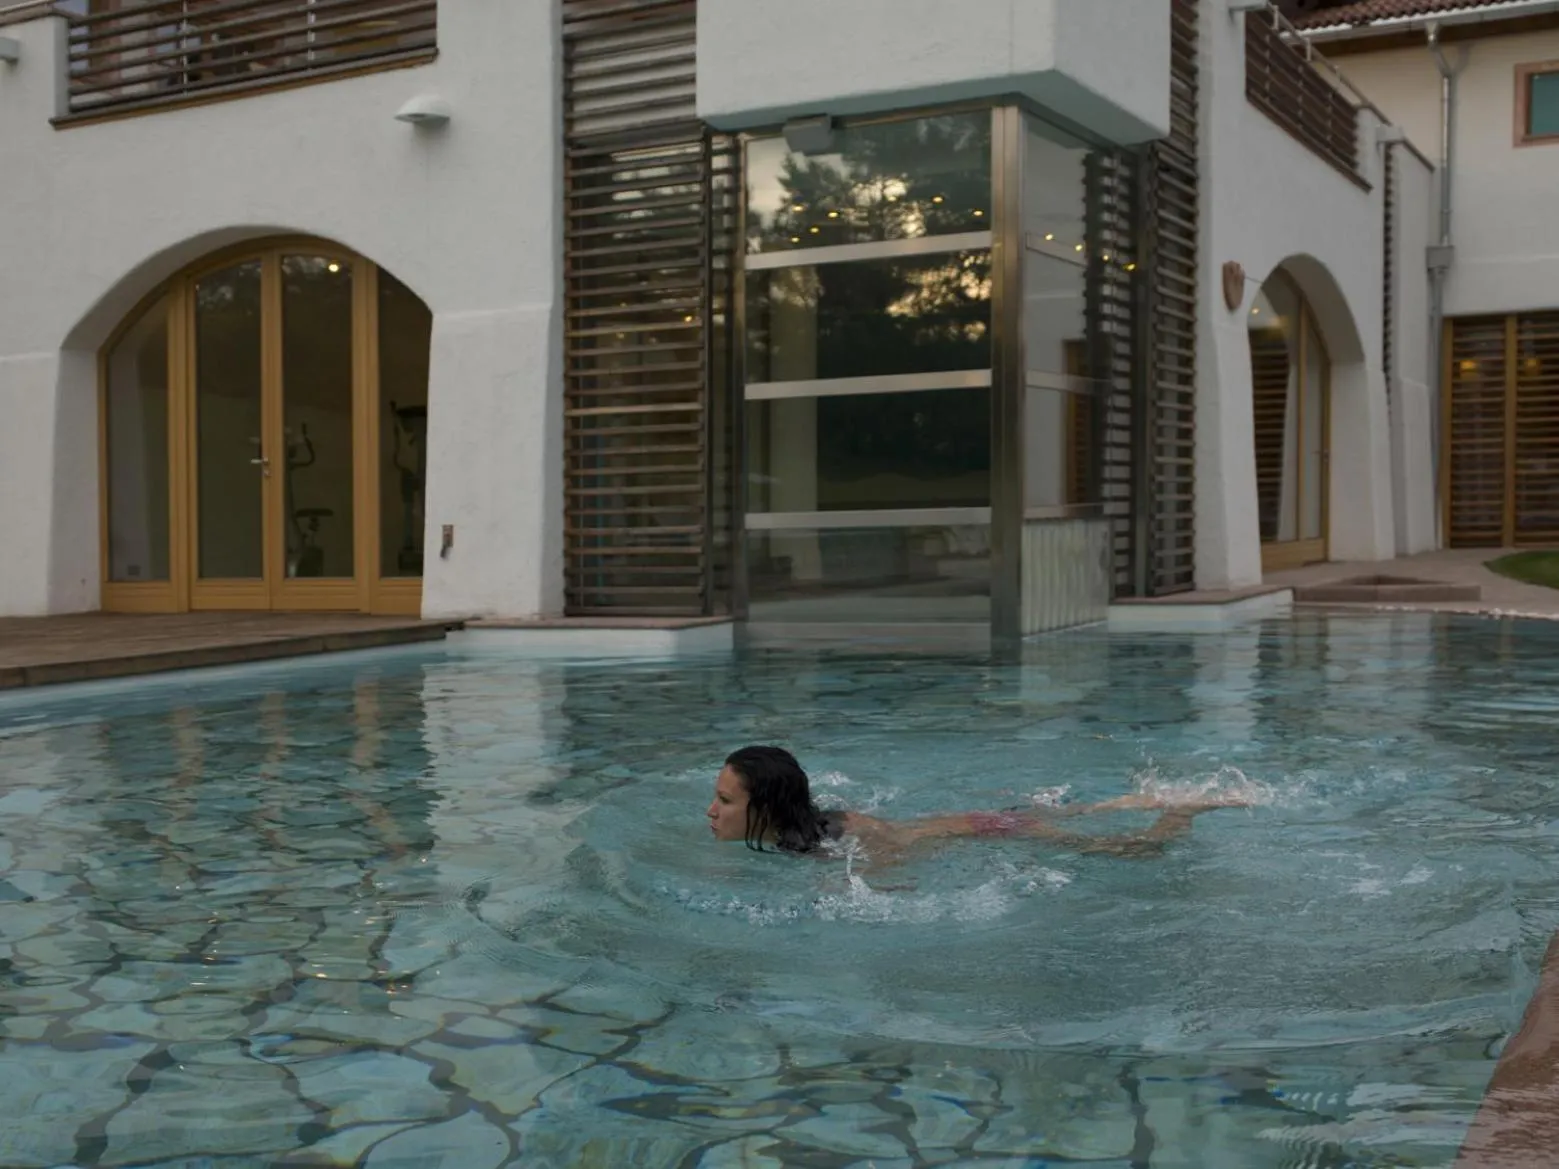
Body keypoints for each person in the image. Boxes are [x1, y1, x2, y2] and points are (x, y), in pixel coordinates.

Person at [707, 745, 1247, 861]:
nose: (711, 811)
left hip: (987, 830)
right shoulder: (806, 830)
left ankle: (1180, 813)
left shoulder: (837, 841)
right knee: (1061, 815)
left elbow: (892, 874)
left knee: (1131, 852)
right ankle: (1138, 798)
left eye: (724, 800)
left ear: (766, 808)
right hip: (975, 823)